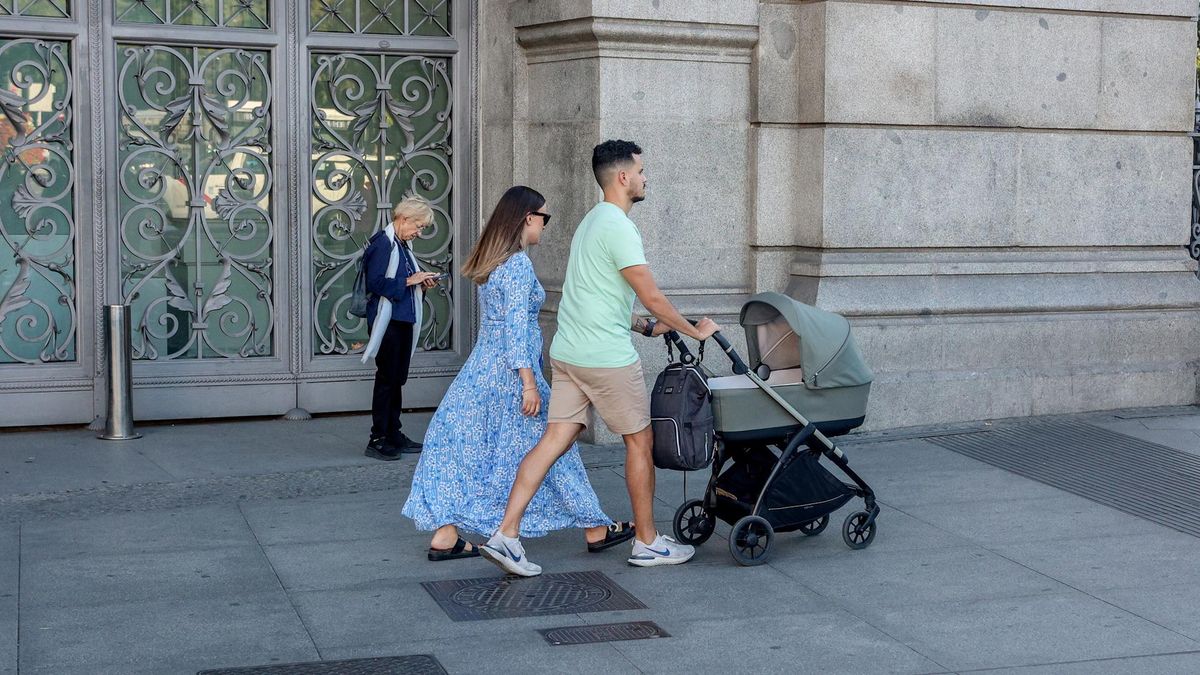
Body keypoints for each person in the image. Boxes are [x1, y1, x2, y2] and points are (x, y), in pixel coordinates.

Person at [480, 140, 720, 577]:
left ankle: (506, 534)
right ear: (623, 177)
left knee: (554, 440)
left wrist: (644, 326)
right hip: (606, 358)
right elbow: (651, 294)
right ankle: (647, 542)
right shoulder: (620, 228)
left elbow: (594, 295)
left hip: (570, 353)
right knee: (639, 442)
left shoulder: (591, 222)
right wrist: (693, 328)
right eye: (642, 171)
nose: (646, 178)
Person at [402, 186, 633, 561]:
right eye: (545, 217)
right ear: (528, 218)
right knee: (555, 449)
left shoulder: (496, 262)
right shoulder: (518, 265)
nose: (546, 225)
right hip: (511, 374)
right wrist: (528, 381)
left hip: (483, 369)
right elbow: (512, 327)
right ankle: (594, 527)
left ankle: (445, 533)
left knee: (458, 446)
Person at [360, 195, 439, 461]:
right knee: (387, 379)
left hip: (402, 319)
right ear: (403, 219)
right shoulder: (383, 244)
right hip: (388, 322)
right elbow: (376, 284)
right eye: (418, 226)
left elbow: (402, 282)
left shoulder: (401, 244)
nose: (419, 232)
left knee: (396, 379)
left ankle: (393, 432)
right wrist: (410, 280)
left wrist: (420, 283)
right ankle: (378, 437)